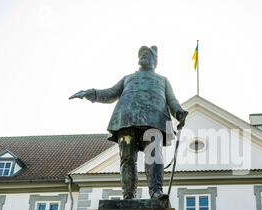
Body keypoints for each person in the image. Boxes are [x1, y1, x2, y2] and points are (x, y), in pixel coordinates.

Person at [70, 45, 188, 200]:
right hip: (126, 120)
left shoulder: (163, 81)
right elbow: (111, 93)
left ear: (155, 60)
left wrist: (179, 112)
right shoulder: (128, 78)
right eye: (142, 54)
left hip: (154, 121)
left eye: (148, 54)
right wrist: (91, 93)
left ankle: (155, 191)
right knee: (127, 158)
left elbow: (172, 100)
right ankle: (128, 195)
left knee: (154, 155)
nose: (144, 56)